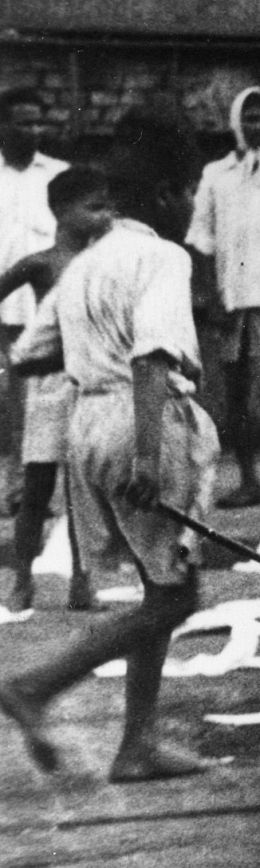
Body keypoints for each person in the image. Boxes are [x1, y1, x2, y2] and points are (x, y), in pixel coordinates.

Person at [0, 161, 221, 782]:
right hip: (141, 419)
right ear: (156, 199)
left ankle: (137, 746)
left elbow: (26, 357)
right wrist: (148, 454)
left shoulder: (77, 271)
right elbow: (153, 354)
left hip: (88, 422)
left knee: (159, 588)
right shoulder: (161, 256)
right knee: (176, 597)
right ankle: (35, 686)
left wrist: (94, 348)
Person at [187, 87, 260, 507]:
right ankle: (249, 479)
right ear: (237, 122)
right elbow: (201, 239)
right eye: (249, 118)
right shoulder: (216, 174)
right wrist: (212, 296)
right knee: (235, 394)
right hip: (232, 301)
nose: (257, 126)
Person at [0, 170, 99, 612]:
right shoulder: (41, 262)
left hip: (91, 384)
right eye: (92, 207)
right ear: (61, 212)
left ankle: (83, 580)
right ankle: (22, 579)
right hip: (47, 384)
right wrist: (14, 352)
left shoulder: (105, 261)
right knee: (38, 487)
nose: (103, 217)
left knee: (85, 489)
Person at [0, 87, 68, 509]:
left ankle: (46, 494)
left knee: (48, 402)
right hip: (4, 309)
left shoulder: (59, 175)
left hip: (50, 311)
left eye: (37, 122)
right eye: (22, 122)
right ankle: (15, 489)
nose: (32, 130)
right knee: (9, 404)